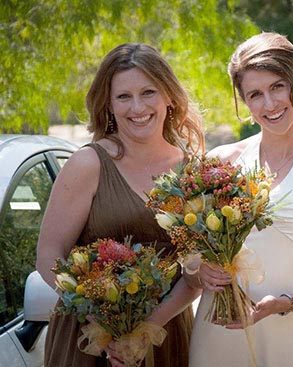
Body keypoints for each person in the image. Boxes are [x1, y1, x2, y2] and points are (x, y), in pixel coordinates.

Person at [184, 32, 293, 367]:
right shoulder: (221, 163)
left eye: (277, 87)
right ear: (243, 101)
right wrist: (199, 272)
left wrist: (284, 303)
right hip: (220, 331)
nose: (269, 104)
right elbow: (191, 263)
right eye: (255, 94)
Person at [36, 43, 204, 367]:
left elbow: (194, 273)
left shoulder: (191, 170)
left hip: (165, 334)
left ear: (169, 96)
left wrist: (145, 329)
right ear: (109, 105)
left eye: (148, 92)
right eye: (123, 97)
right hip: (89, 340)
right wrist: (105, 324)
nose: (137, 107)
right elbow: (49, 254)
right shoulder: (88, 164)